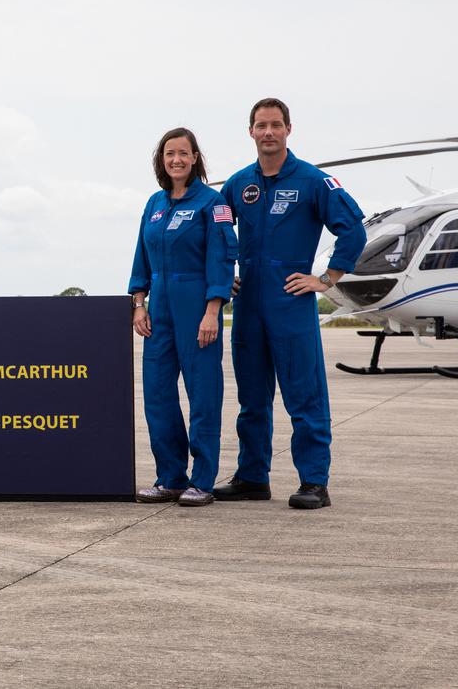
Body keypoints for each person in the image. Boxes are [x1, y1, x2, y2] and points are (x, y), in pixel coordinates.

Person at [216, 98, 366, 509]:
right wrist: (220, 277)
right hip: (247, 304)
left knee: (304, 395)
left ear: (288, 129)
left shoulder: (314, 182)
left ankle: (314, 481)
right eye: (261, 125)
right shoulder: (236, 185)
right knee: (251, 399)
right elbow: (216, 230)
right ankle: (251, 477)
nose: (268, 132)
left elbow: (353, 230)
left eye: (275, 125)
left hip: (290, 300)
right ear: (250, 131)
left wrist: (326, 279)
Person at [129, 128, 238, 506]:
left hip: (197, 305)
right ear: (162, 160)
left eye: (183, 153)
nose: (176, 159)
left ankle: (202, 480)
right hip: (159, 307)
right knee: (157, 394)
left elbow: (223, 257)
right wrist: (139, 303)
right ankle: (170, 477)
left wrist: (213, 310)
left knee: (203, 394)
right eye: (169, 153)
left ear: (195, 158)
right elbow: (141, 256)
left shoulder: (213, 203)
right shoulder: (154, 204)